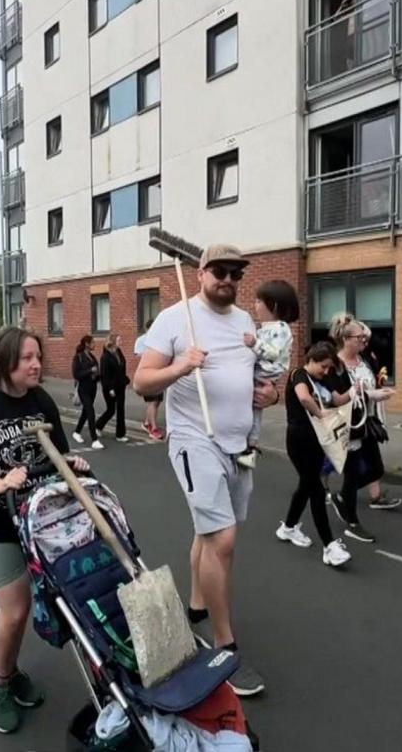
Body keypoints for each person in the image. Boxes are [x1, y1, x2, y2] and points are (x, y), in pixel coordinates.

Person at [133, 244, 278, 696]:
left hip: (239, 444)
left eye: (236, 273)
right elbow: (141, 381)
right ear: (201, 273)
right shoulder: (177, 318)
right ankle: (223, 646)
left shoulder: (244, 323)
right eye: (220, 271)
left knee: (209, 530)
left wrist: (269, 394)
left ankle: (196, 601)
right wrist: (181, 365)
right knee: (223, 539)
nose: (229, 279)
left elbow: (259, 376)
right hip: (196, 440)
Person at [0, 326, 91, 735]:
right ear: (5, 362)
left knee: (43, 601)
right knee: (14, 610)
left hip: (36, 519)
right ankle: (0, 684)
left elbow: (59, 453)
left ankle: (8, 670)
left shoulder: (41, 400)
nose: (36, 364)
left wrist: (73, 463)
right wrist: (1, 483)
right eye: (26, 358)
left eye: (38, 356)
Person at [325, 314, 401, 544]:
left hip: (366, 423)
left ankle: (342, 497)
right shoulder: (335, 367)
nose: (364, 340)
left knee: (376, 469)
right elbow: (335, 398)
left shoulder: (363, 359)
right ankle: (353, 523)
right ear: (346, 340)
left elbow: (371, 382)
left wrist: (378, 392)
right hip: (347, 426)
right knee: (352, 473)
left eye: (363, 337)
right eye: (359, 337)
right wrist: (372, 395)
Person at [279, 342, 353, 566]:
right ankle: (329, 546)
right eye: (323, 366)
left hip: (317, 442)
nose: (326, 371)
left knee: (306, 486)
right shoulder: (299, 374)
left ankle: (288, 527)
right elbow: (303, 397)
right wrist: (321, 414)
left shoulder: (323, 379)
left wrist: (358, 391)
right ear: (311, 360)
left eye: (329, 367)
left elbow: (339, 399)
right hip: (299, 440)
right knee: (316, 490)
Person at [238, 280, 298, 468]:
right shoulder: (266, 327)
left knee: (253, 408)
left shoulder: (280, 328)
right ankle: (249, 447)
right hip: (260, 370)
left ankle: (251, 447)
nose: (255, 305)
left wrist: (253, 343)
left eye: (258, 301)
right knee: (253, 408)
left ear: (274, 305)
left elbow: (273, 352)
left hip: (265, 372)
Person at [95, 333, 129, 442]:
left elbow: (122, 367)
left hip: (120, 385)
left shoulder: (118, 352)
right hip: (110, 388)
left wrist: (125, 379)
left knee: (121, 410)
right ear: (113, 342)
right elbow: (105, 375)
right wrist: (110, 389)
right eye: (119, 340)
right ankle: (98, 426)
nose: (121, 341)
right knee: (111, 410)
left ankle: (120, 434)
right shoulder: (105, 357)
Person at [71, 335, 103, 449]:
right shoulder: (78, 357)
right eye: (93, 342)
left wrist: (99, 375)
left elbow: (97, 374)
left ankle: (76, 432)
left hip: (92, 388)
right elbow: (76, 374)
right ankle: (94, 440)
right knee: (90, 412)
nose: (94, 344)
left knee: (85, 412)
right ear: (87, 344)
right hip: (83, 389)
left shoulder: (92, 357)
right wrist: (90, 371)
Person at [135, 326, 165, 441]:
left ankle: (148, 422)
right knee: (152, 402)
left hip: (159, 374)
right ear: (148, 329)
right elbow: (137, 355)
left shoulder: (159, 339)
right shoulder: (142, 340)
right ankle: (153, 428)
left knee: (157, 401)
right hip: (148, 375)